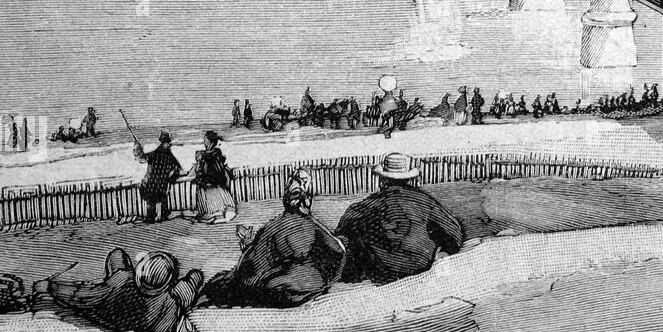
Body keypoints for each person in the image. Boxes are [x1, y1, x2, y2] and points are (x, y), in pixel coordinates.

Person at [204, 174, 346, 308]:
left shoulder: (289, 224)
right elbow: (337, 251)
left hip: (266, 281)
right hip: (272, 282)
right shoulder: (295, 224)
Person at [336, 153, 465, 285]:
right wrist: (444, 252)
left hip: (382, 271)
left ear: (382, 179)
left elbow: (342, 232)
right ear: (408, 179)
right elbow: (454, 232)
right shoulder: (424, 201)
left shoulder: (369, 204)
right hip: (420, 266)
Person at [33, 249, 204, 332]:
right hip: (155, 308)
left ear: (139, 272)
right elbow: (164, 325)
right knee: (194, 278)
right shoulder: (170, 302)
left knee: (117, 254)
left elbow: (81, 295)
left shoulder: (122, 279)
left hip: (109, 316)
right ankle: (193, 279)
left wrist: (50, 287)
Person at [134, 131, 182, 222]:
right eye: (168, 143)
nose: (169, 145)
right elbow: (177, 169)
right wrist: (170, 179)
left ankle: (153, 217)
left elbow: (141, 158)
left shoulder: (158, 154)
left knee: (153, 202)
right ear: (165, 143)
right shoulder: (164, 155)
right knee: (156, 202)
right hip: (158, 183)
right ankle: (158, 217)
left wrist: (138, 149)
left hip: (154, 183)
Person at [190, 130, 237, 224]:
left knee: (214, 209)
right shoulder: (213, 155)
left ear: (210, 142)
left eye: (205, 140)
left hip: (212, 187)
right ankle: (216, 216)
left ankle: (214, 216)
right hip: (213, 186)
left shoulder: (211, 156)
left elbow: (213, 172)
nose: (204, 142)